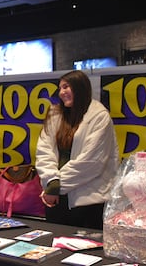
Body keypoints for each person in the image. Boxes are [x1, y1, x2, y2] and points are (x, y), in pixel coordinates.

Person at [35, 70, 119, 230]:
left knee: (87, 253)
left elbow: (92, 162)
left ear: (80, 87)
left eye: (66, 87)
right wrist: (51, 182)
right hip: (56, 197)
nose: (62, 92)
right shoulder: (55, 114)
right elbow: (44, 151)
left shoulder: (99, 116)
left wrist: (56, 186)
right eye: (60, 88)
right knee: (55, 247)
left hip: (87, 200)